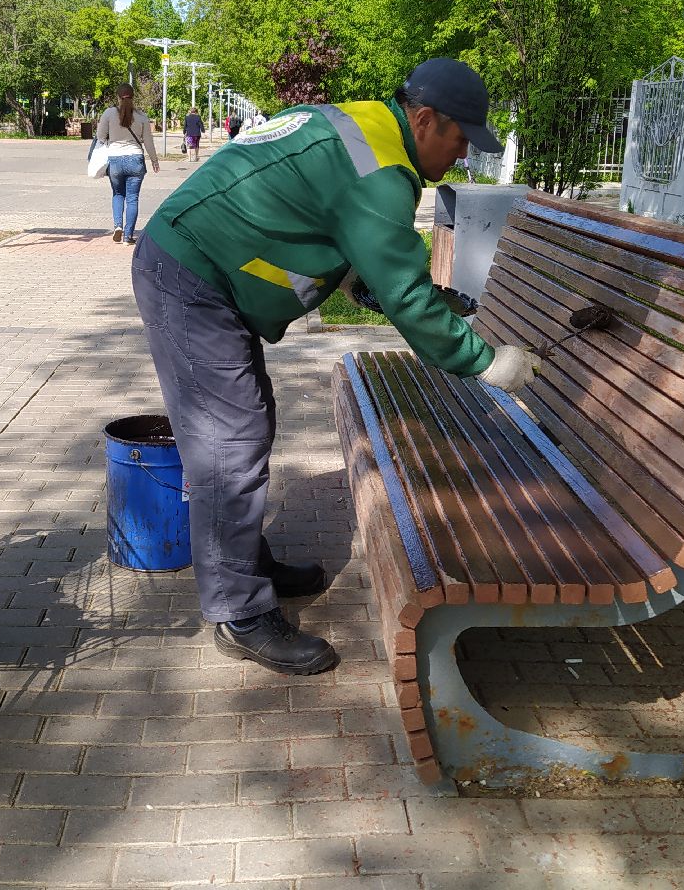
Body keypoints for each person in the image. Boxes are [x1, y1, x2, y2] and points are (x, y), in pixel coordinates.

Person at [130, 58, 537, 676]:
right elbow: (406, 297)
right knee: (230, 441)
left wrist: (357, 273)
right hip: (192, 276)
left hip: (199, 265)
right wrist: (484, 362)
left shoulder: (363, 126)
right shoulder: (382, 174)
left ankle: (243, 560)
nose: (461, 156)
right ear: (425, 120)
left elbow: (313, 211)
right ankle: (238, 612)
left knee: (246, 425)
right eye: (460, 140)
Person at [96, 83, 160, 244]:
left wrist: (110, 142)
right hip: (135, 160)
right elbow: (148, 142)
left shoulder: (109, 113)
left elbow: (100, 136)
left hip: (115, 160)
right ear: (133, 96)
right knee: (132, 198)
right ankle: (128, 236)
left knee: (118, 194)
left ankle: (118, 226)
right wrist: (154, 160)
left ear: (118, 97)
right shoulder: (141, 116)